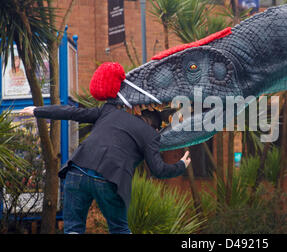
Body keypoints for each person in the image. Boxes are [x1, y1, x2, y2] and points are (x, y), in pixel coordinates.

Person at [20, 62, 190, 234]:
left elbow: (71, 112)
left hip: (77, 171)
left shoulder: (107, 111)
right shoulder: (150, 134)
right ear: (154, 126)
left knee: (73, 228)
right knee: (119, 228)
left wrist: (38, 110)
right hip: (109, 178)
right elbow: (159, 170)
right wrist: (181, 165)